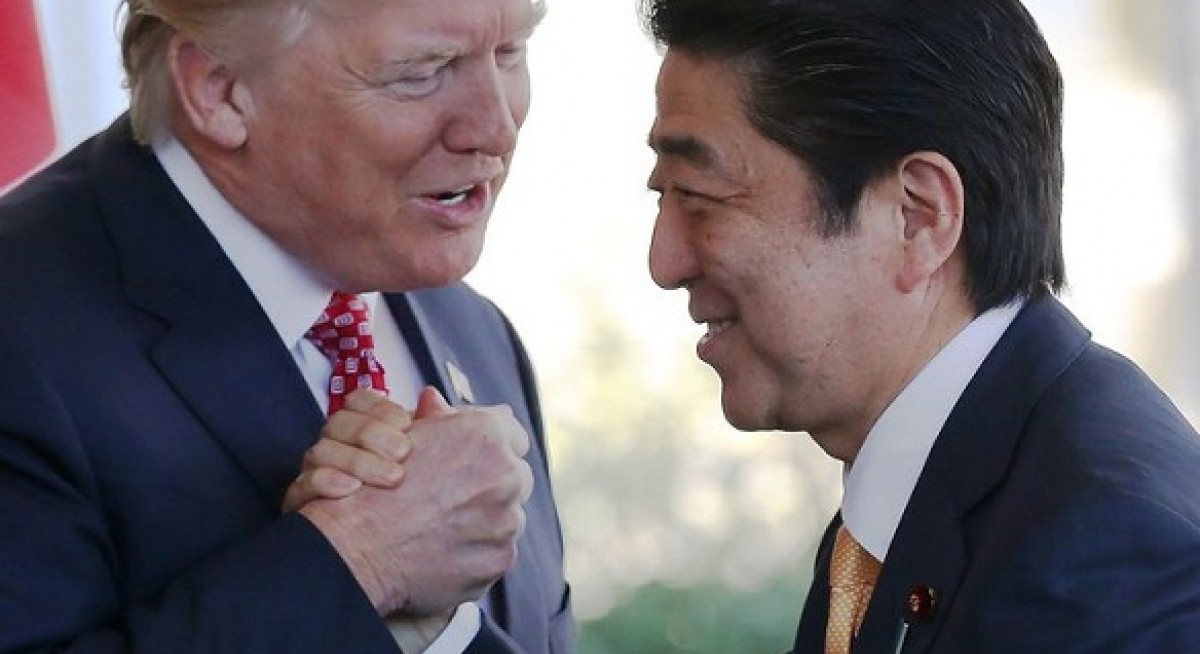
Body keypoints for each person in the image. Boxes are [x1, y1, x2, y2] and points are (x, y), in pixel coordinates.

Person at [0, 0, 573, 652]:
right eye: (424, 71)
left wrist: (439, 633)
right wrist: (360, 562)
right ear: (221, 90)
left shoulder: (476, 332)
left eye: (510, 54)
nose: (495, 128)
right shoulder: (19, 329)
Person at [640, 0, 1200, 651]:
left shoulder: (1106, 558)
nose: (664, 261)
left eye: (698, 196)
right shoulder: (934, 494)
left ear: (918, 217)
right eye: (662, 196)